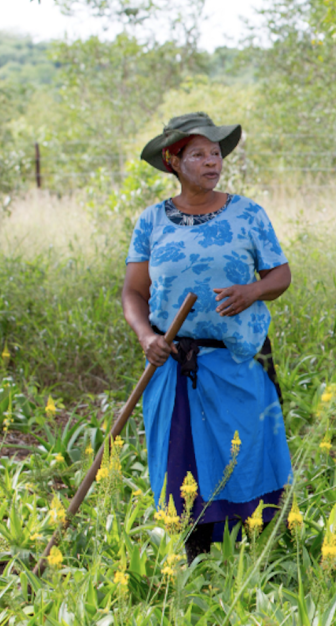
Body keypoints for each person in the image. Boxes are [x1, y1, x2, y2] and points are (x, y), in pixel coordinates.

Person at [122, 112, 293, 562]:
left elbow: (281, 274)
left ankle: (255, 546)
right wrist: (145, 336)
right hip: (172, 360)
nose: (211, 161)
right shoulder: (152, 222)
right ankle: (193, 550)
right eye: (198, 153)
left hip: (234, 360)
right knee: (184, 458)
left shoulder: (248, 214)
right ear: (173, 160)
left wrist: (252, 290)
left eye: (215, 152)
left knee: (246, 452)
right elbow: (133, 292)